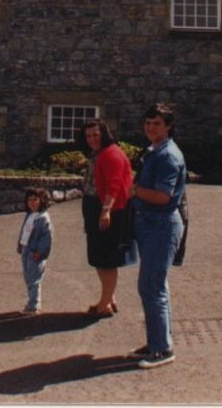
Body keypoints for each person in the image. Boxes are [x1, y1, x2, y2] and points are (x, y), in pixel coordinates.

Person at [128, 103, 186, 370]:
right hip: (151, 224)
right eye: (148, 123)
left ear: (168, 126)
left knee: (151, 287)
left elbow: (163, 197)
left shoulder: (168, 156)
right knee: (153, 286)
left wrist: (134, 190)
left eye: (157, 124)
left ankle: (162, 349)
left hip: (161, 225)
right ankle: (158, 341)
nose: (151, 128)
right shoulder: (155, 151)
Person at [78, 119, 137, 317]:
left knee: (106, 258)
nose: (92, 139)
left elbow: (114, 185)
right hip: (95, 206)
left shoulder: (111, 153)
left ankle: (104, 304)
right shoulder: (99, 153)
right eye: (88, 136)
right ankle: (109, 299)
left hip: (105, 208)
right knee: (99, 256)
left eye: (96, 134)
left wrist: (106, 210)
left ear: (104, 133)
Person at [17, 187, 53, 315]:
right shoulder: (30, 215)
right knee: (28, 276)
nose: (32, 202)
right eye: (29, 200)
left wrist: (41, 252)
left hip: (35, 253)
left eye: (35, 199)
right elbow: (24, 230)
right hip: (26, 249)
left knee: (34, 278)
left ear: (42, 201)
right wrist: (20, 244)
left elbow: (46, 238)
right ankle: (31, 302)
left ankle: (33, 305)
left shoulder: (43, 218)